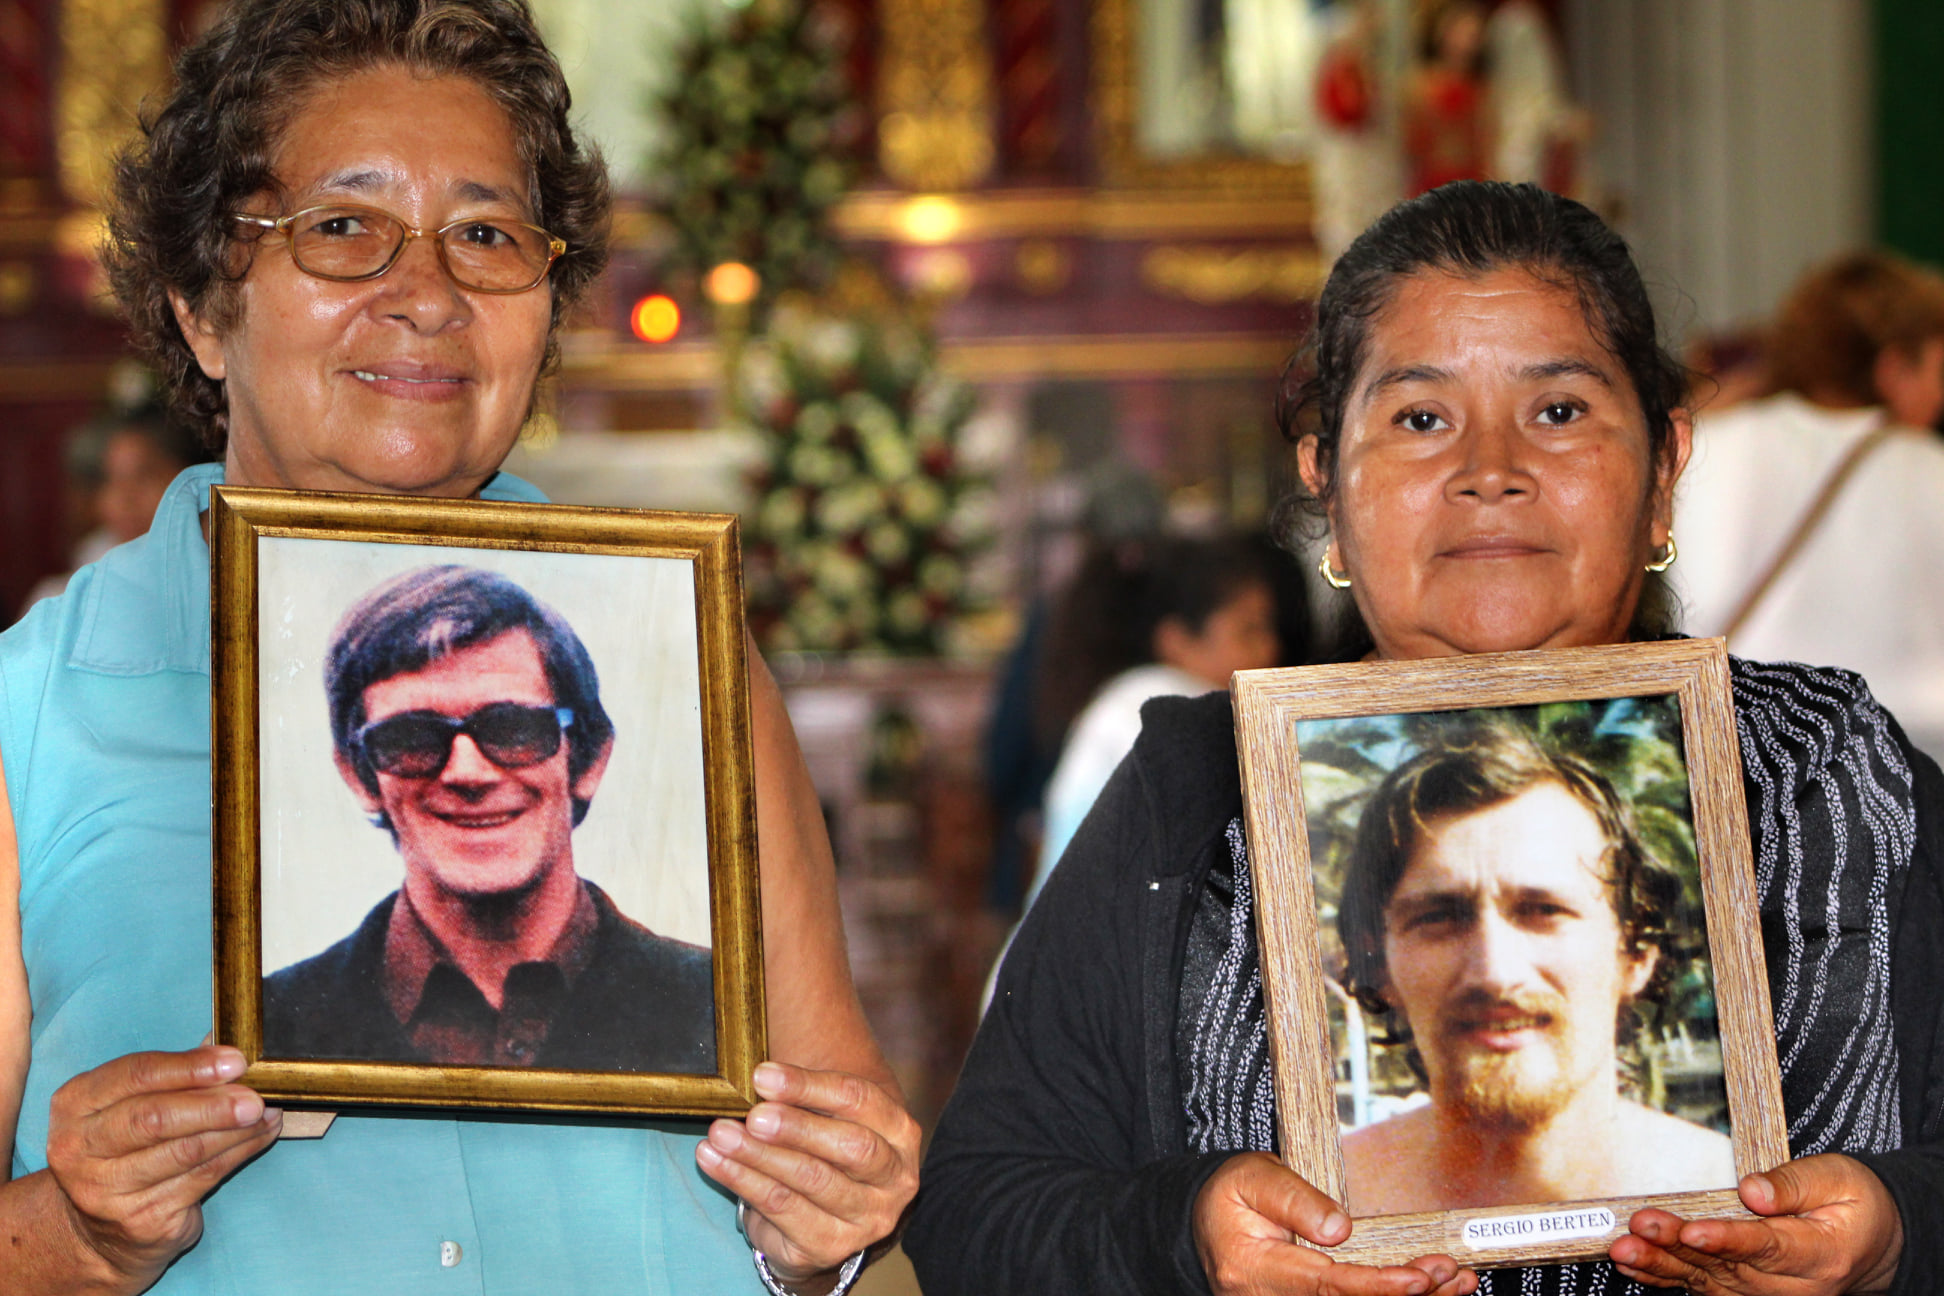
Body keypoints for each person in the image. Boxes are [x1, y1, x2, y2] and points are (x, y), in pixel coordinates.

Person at [0, 3, 917, 1294]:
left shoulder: (679, 661)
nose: (424, 295)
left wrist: (828, 1241)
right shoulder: (31, 715)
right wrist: (78, 1235)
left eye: (486, 236)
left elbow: (854, 1231)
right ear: (203, 308)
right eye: (341, 229)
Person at [907, 181, 1943, 1296]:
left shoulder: (1834, 778)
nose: (1489, 468)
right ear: (1324, 481)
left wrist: (1901, 1233)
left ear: (1662, 473)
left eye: (1558, 412)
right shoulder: (1198, 796)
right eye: (1419, 418)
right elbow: (975, 1208)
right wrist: (1182, 1238)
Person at [262, 564, 714, 1074]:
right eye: (412, 738)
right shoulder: (269, 1026)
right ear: (360, 778)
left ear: (588, 760)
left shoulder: (718, 1010)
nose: (467, 772)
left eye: (514, 728)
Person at [1333, 726, 1734, 1216]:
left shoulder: (1732, 1196)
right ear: (1379, 967)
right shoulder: (1326, 1214)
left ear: (1635, 953)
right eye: (1438, 916)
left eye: (1543, 910)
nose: (1495, 972)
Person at [1675, 250, 1944, 764]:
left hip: (1746, 755)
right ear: (1893, 369)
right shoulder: (1932, 470)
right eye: (1937, 368)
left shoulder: (1706, 447)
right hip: (1917, 764)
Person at [1031, 535, 1281, 908]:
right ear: (1176, 640)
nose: (1270, 648)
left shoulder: (1128, 700)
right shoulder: (1171, 719)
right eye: (1249, 630)